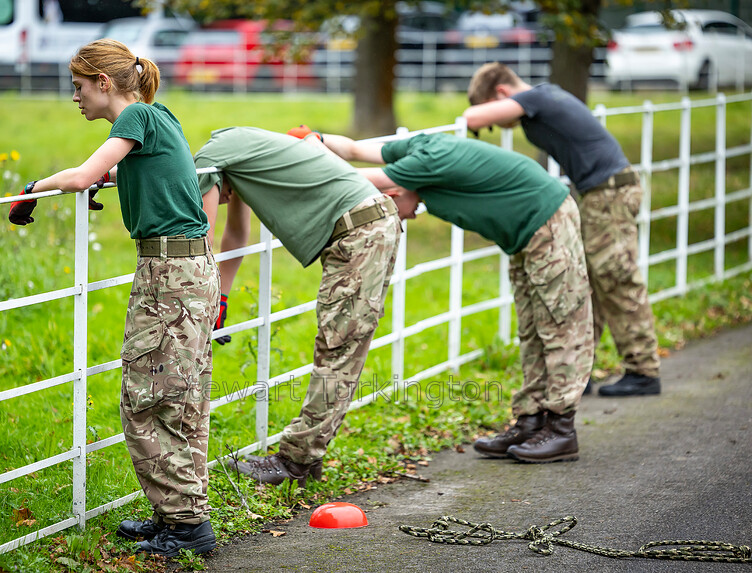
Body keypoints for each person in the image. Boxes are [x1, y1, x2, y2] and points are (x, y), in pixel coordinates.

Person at [7, 39, 219, 557]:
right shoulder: (159, 116)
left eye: (78, 88)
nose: (74, 98)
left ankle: (186, 526)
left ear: (105, 84)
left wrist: (34, 187)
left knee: (145, 400)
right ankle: (178, 515)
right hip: (190, 265)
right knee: (181, 398)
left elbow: (80, 176)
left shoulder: (134, 119)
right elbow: (148, 172)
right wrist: (113, 178)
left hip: (169, 273)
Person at [317, 128, 592, 463]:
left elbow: (350, 176)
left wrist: (299, 163)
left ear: (393, 191)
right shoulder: (414, 151)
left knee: (559, 323)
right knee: (532, 328)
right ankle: (531, 420)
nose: (407, 217)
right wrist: (314, 139)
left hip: (546, 220)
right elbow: (354, 147)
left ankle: (562, 429)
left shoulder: (421, 165)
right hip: (524, 230)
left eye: (390, 207)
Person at [193, 126, 401, 485]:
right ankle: (307, 454)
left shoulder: (210, 161)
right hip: (370, 224)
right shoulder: (237, 153)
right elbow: (237, 235)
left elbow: (205, 235)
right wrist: (221, 299)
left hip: (358, 233)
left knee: (338, 347)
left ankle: (294, 462)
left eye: (220, 195)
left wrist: (201, 304)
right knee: (342, 347)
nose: (225, 199)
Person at [463, 62, 661, 398]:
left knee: (616, 276)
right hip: (600, 192)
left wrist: (478, 117)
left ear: (501, 94)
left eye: (497, 117)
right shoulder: (541, 102)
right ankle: (580, 372)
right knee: (594, 282)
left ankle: (643, 370)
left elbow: (471, 119)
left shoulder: (538, 97)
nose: (500, 126)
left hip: (609, 192)